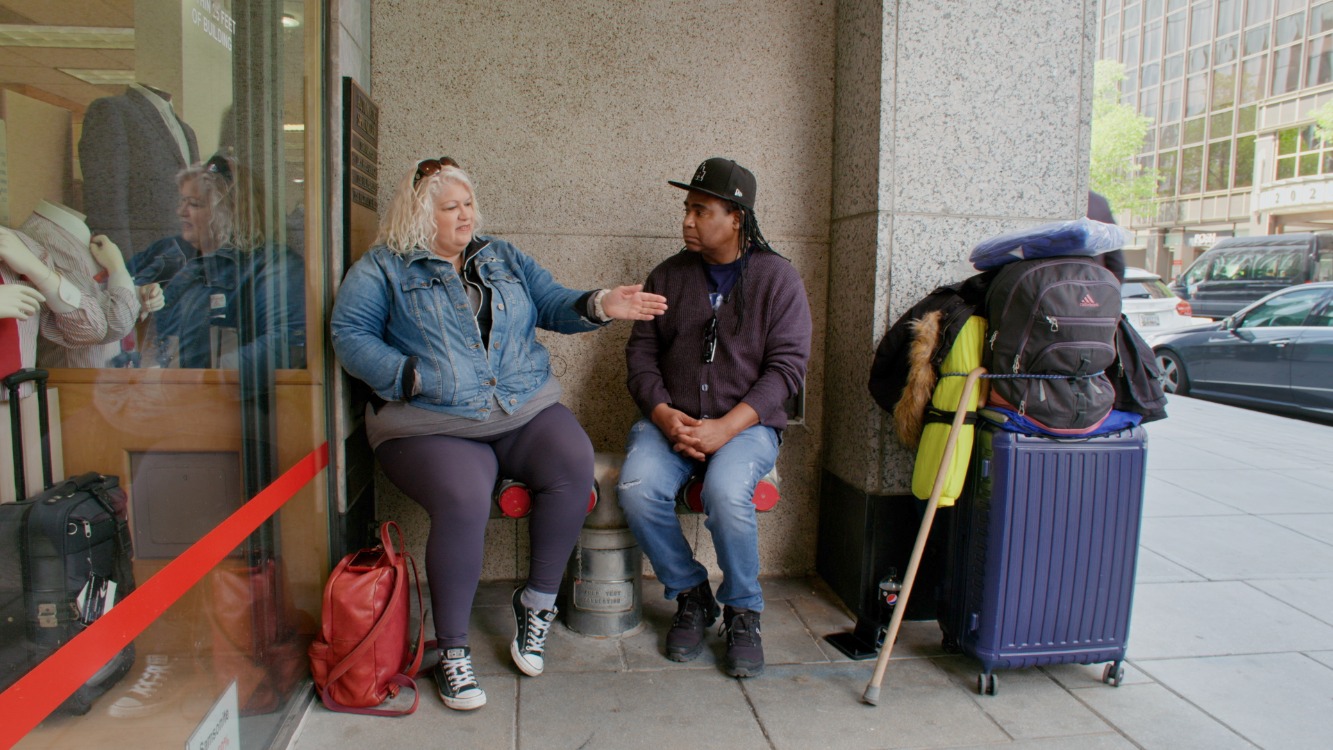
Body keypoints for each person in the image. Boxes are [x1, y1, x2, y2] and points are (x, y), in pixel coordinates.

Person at [329, 157, 666, 711]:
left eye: (468, 204)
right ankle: (453, 652)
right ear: (420, 214)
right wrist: (408, 376)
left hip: (519, 405)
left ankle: (536, 605)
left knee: (573, 462)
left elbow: (551, 302)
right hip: (429, 423)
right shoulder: (383, 268)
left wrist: (601, 303)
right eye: (450, 207)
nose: (466, 215)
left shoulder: (501, 256)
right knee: (465, 496)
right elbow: (349, 333)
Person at [619, 157, 811, 677]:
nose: (687, 220)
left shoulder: (778, 278)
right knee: (636, 487)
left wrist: (726, 428)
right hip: (672, 421)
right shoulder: (667, 275)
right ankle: (691, 593)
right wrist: (663, 414)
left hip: (745, 427)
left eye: (701, 210)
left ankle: (743, 611)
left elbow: (787, 370)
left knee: (726, 494)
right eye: (687, 208)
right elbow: (641, 357)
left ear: (736, 218)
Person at [129, 154, 305, 369]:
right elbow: (111, 301)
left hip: (215, 387)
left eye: (194, 204)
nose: (181, 212)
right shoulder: (168, 250)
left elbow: (287, 343)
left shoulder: (273, 266)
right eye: (182, 201)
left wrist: (211, 376)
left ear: (229, 211)